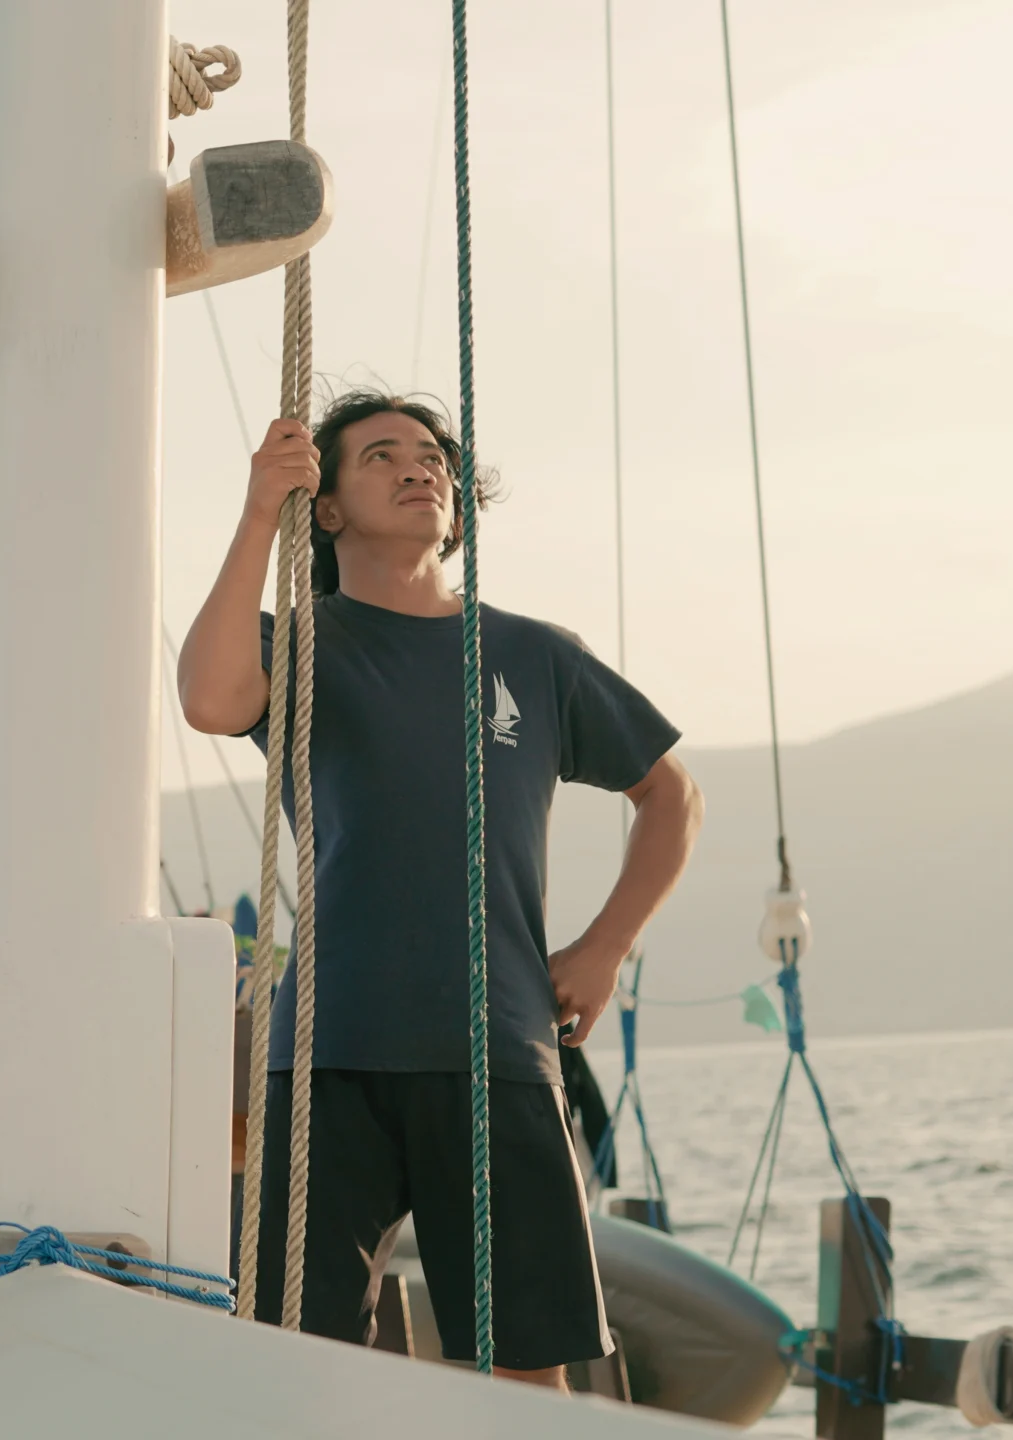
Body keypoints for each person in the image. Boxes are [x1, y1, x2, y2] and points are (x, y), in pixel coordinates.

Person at [177, 390, 703, 1389]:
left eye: (431, 458)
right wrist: (257, 511)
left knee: (526, 1378)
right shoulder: (298, 642)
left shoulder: (530, 654)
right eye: (380, 456)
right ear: (324, 508)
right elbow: (208, 699)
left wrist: (601, 949)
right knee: (293, 1364)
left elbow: (672, 798)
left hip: (499, 1051)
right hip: (326, 1057)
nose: (419, 468)